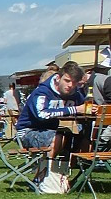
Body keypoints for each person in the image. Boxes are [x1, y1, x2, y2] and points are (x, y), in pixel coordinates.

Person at [16, 61, 86, 189]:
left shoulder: (75, 93)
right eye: (67, 81)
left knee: (77, 137)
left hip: (52, 130)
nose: (70, 85)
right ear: (58, 78)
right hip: (27, 132)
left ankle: (64, 175)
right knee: (58, 137)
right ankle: (46, 176)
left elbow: (82, 106)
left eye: (74, 83)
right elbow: (41, 114)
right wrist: (75, 109)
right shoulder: (42, 92)